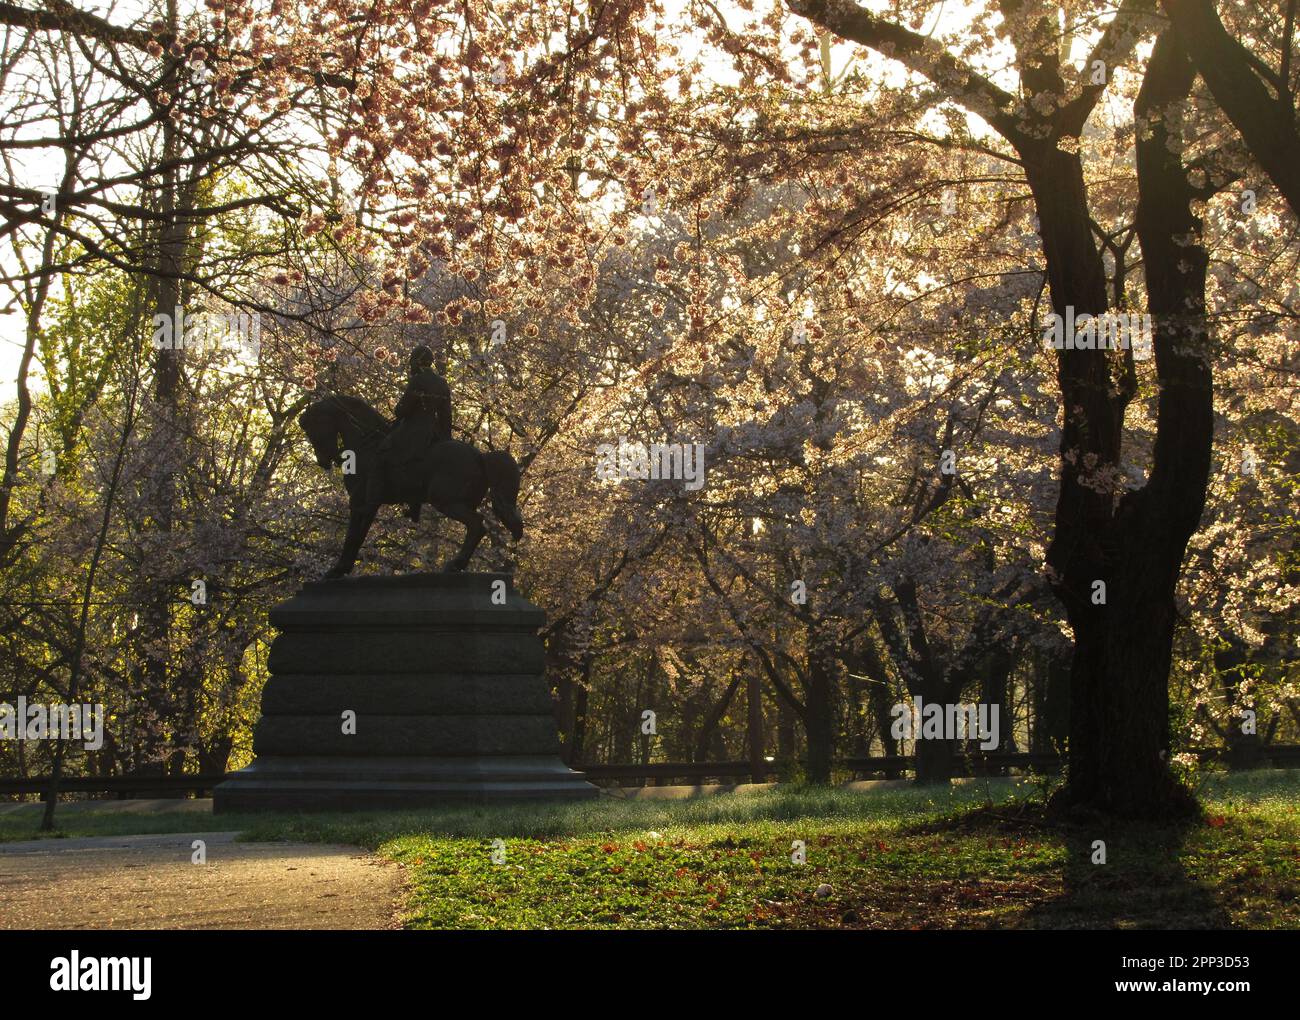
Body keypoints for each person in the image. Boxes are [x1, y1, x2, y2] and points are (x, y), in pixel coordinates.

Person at [379, 344, 452, 522]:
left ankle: (382, 490)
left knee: (383, 449)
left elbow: (402, 410)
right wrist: (445, 437)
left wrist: (400, 409)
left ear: (417, 362)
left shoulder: (417, 380)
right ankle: (415, 504)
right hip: (434, 431)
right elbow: (446, 415)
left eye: (412, 362)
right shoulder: (442, 383)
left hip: (413, 429)